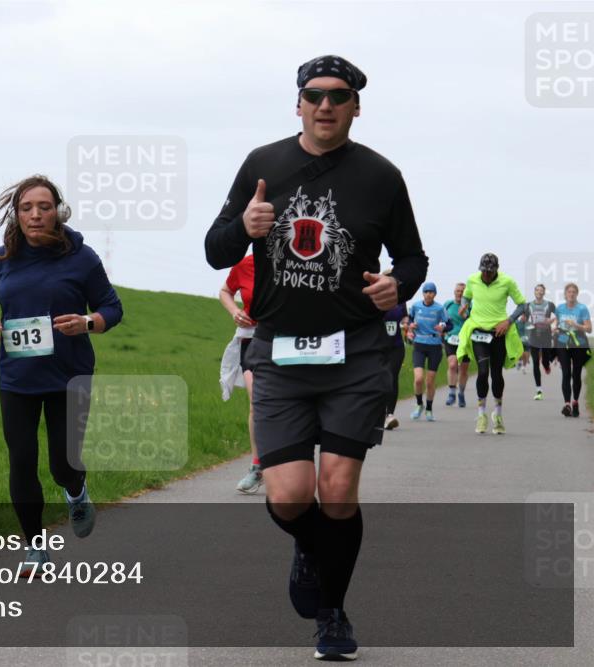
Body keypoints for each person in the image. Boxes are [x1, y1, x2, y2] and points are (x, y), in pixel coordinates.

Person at [204, 55, 428, 661]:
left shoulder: (382, 176)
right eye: (314, 94)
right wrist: (244, 228)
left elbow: (413, 258)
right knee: (290, 496)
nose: (325, 104)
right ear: (297, 103)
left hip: (355, 352)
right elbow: (213, 249)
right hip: (277, 350)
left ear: (356, 106)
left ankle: (331, 612)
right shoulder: (263, 165)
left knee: (337, 490)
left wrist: (397, 286)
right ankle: (312, 546)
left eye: (339, 95)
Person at [0, 175, 123, 574]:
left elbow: (112, 308)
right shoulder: (1, 260)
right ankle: (35, 548)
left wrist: (88, 322)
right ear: (16, 215)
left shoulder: (82, 259)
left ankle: (76, 490)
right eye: (27, 208)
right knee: (21, 460)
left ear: (58, 212)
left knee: (62, 465)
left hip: (69, 376)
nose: (36, 215)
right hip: (17, 377)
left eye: (44, 207)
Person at [456, 253, 527, 435]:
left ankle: (498, 413)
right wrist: (464, 306)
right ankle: (481, 414)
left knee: (496, 374)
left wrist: (509, 321)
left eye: (490, 272)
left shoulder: (507, 281)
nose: (486, 275)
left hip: (498, 332)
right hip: (478, 331)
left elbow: (522, 305)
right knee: (482, 372)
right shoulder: (472, 280)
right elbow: (466, 297)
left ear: (496, 270)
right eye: (484, 272)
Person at [219, 253, 264, 492]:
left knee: (288, 403)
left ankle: (287, 460)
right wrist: (235, 312)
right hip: (252, 340)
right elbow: (225, 291)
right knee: (256, 401)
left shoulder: (295, 259)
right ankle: (257, 467)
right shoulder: (246, 263)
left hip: (286, 340)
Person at [407, 282, 450, 422]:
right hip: (419, 344)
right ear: (423, 294)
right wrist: (411, 326)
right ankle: (419, 405)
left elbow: (450, 324)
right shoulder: (416, 306)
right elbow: (409, 320)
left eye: (431, 292)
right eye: (426, 292)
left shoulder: (439, 308)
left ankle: (429, 409)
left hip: (434, 346)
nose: (428, 294)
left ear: (435, 294)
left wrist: (442, 328)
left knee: (430, 381)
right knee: (418, 379)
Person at [553, 282, 591, 417]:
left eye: (574, 292)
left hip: (579, 344)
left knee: (576, 374)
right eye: (569, 292)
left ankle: (575, 401)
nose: (571, 294)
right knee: (566, 373)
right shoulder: (560, 308)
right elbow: (557, 325)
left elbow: (589, 328)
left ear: (577, 294)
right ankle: (567, 404)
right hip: (563, 343)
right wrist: (555, 330)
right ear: (565, 294)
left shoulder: (582, 308)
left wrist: (575, 324)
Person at [523, 284, 556, 400]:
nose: (539, 292)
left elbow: (558, 316)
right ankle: (539, 390)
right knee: (535, 362)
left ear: (544, 292)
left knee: (544, 361)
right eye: (537, 290)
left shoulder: (550, 305)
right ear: (534, 292)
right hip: (533, 336)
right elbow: (525, 320)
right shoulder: (528, 305)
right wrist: (525, 321)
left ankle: (547, 366)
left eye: (541, 290)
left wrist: (551, 321)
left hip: (546, 336)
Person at [441, 283, 470, 407]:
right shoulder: (448, 304)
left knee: (463, 369)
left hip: (465, 341)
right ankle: (452, 393)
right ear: (454, 292)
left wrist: (465, 314)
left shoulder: (470, 305)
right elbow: (442, 319)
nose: (460, 293)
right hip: (451, 339)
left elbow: (473, 321)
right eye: (458, 291)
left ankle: (461, 393)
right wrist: (442, 329)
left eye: (462, 291)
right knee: (452, 365)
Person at [382, 299, 408, 430]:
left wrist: (407, 325)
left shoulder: (401, 298)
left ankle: (389, 415)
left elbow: (405, 318)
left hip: (396, 347)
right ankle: (377, 413)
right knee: (378, 378)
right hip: (377, 347)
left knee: (392, 377)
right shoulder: (373, 295)